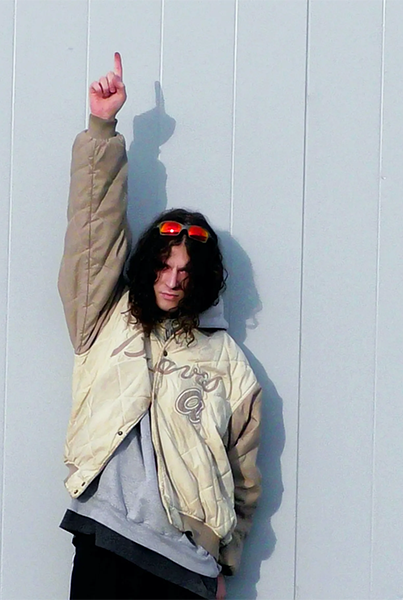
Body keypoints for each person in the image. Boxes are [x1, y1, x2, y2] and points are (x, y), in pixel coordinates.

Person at [58, 53, 262, 600]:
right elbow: (93, 232)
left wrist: (224, 564)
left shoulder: (227, 361)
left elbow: (244, 475)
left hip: (185, 560)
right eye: (164, 267)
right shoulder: (106, 318)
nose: (172, 281)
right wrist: (103, 129)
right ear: (149, 265)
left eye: (186, 273)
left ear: (203, 281)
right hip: (104, 533)